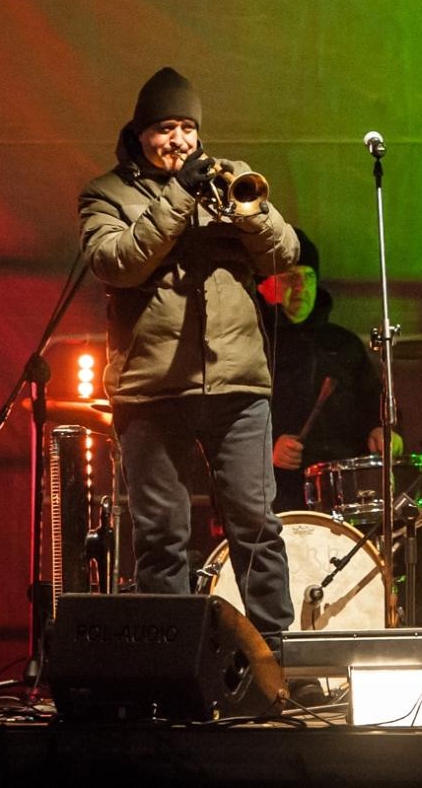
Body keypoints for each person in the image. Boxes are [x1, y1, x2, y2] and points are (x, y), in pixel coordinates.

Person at [78, 66, 297, 639]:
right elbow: (116, 263)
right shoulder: (106, 194)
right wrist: (178, 198)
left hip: (237, 384)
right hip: (152, 390)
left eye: (187, 128)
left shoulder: (233, 177)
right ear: (140, 133)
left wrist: (250, 213)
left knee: (257, 526)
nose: (178, 140)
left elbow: (284, 256)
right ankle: (169, 659)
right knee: (161, 535)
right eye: (165, 128)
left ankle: (277, 660)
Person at [259, 228, 395, 513]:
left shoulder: (343, 344)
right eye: (290, 278)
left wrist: (382, 430)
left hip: (343, 494)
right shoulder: (253, 343)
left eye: (308, 278)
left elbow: (374, 400)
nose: (301, 288)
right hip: (275, 494)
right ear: (267, 284)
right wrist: (267, 447)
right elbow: (230, 416)